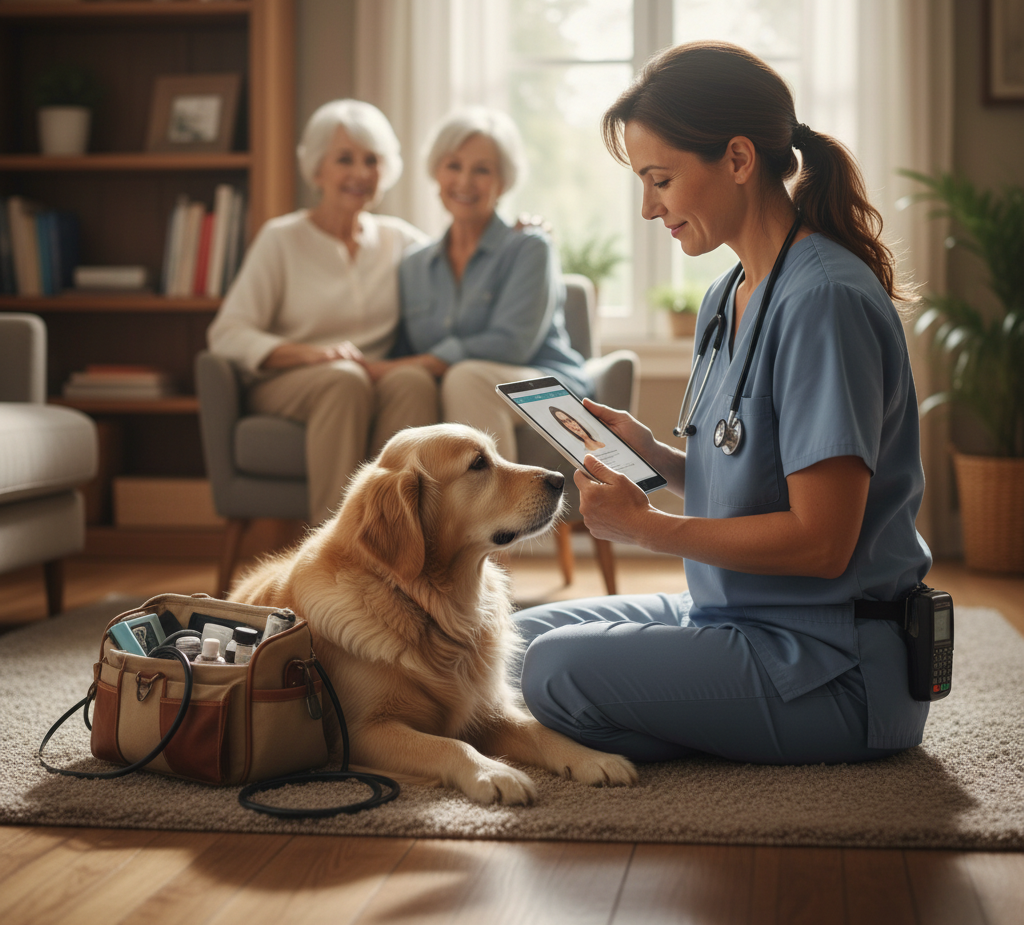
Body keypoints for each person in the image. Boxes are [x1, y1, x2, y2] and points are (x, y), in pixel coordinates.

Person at [512, 41, 934, 766]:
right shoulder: (727, 295)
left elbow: (821, 540)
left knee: (554, 673)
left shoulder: (823, 301)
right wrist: (654, 455)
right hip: (731, 615)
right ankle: (687, 717)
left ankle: (703, 730)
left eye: (661, 179)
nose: (649, 209)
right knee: (511, 644)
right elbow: (748, 471)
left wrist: (650, 531)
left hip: (832, 664)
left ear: (738, 159)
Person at [207, 99, 438, 525]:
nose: (359, 173)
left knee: (411, 380)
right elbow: (228, 332)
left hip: (370, 375)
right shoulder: (281, 239)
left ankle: (404, 535)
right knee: (342, 381)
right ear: (317, 169)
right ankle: (333, 549)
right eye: (344, 159)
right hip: (289, 379)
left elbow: (462, 264)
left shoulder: (399, 240)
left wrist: (523, 240)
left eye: (371, 160)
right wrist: (310, 353)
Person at [357, 107, 590, 461]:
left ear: (503, 182)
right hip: (457, 388)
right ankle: (396, 514)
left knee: (466, 377)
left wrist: (434, 362)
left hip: (547, 389)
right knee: (410, 382)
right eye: (454, 165)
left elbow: (512, 344)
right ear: (436, 171)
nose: (465, 182)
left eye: (482, 170)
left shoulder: (530, 246)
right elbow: (406, 349)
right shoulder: (414, 265)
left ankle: (500, 516)